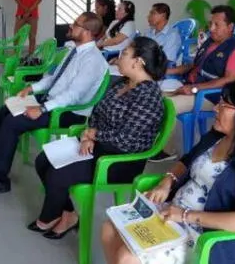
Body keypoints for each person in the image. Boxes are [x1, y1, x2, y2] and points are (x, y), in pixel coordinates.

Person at [102, 80, 235, 264]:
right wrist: (166, 183)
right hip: (172, 213)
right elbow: (186, 162)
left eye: (224, 105)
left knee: (128, 258)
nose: (216, 108)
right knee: (109, 228)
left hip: (204, 234)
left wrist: (184, 215)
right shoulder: (217, 136)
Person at [28, 37, 167, 239]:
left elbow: (126, 140)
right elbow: (97, 112)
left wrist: (95, 135)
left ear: (138, 62)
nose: (119, 58)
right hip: (99, 146)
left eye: (125, 54)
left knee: (58, 174)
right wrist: (88, 136)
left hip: (119, 161)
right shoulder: (122, 82)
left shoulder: (149, 96)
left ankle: (50, 217)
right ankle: (68, 215)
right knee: (43, 160)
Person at [0, 12, 108, 196]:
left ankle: (1, 180)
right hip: (52, 101)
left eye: (76, 24)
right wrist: (31, 89)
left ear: (88, 31)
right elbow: (52, 79)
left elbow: (73, 96)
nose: (71, 26)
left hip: (68, 112)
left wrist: (41, 109)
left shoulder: (93, 60)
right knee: (6, 109)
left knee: (13, 122)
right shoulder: (73, 51)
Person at [152, 5, 235, 162]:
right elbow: (194, 65)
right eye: (211, 23)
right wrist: (169, 72)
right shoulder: (209, 42)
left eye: (217, 25)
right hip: (191, 86)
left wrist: (195, 88)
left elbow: (230, 79)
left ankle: (164, 151)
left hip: (211, 96)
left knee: (167, 104)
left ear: (230, 26)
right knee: (152, 95)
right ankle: (150, 141)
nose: (212, 28)